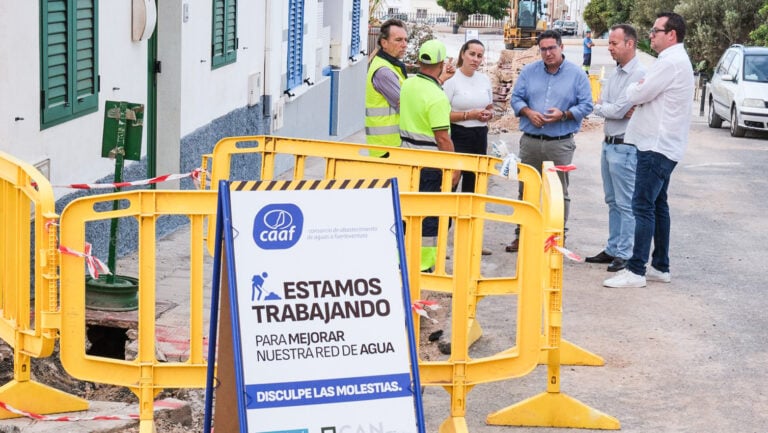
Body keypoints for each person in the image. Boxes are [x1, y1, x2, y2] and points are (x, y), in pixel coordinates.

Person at [603, 12, 694, 288]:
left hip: (655, 145)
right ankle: (660, 266)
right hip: (663, 144)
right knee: (657, 206)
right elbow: (643, 91)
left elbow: (638, 94)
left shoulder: (670, 62)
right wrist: (639, 89)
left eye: (656, 30)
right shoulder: (672, 61)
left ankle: (636, 270)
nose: (651, 35)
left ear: (672, 35)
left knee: (641, 205)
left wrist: (636, 89)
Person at [505, 30, 594, 253]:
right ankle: (522, 235)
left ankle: (556, 238)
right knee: (526, 190)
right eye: (543, 49)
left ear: (561, 47)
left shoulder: (576, 74)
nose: (548, 53)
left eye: (552, 48)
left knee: (558, 193)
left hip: (560, 143)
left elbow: (587, 105)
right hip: (531, 142)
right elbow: (516, 98)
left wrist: (563, 114)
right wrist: (527, 112)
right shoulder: (529, 71)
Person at [585, 24, 646, 273]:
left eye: (614, 43)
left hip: (625, 146)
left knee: (625, 203)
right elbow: (604, 105)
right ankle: (613, 247)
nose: (609, 48)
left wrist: (606, 109)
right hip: (608, 144)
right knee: (612, 201)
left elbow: (618, 109)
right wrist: (607, 108)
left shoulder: (638, 73)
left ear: (629, 44)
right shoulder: (616, 72)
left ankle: (624, 253)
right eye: (609, 43)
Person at [399, 39, 460, 271]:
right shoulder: (437, 97)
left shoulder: (408, 85)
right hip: (430, 165)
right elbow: (443, 138)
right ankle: (424, 265)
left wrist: (441, 80)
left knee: (407, 212)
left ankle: (402, 259)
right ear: (442, 63)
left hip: (406, 159)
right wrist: (454, 168)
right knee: (430, 216)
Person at [443, 39, 493, 194]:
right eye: (472, 54)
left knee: (474, 185)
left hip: (480, 136)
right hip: (458, 136)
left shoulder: (484, 80)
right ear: (463, 54)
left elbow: (490, 107)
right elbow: (443, 115)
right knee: (451, 182)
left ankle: (468, 218)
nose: (475, 59)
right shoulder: (451, 79)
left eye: (479, 56)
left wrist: (489, 115)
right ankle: (446, 218)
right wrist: (469, 115)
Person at [365, 19, 408, 157]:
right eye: (399, 40)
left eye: (406, 40)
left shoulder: (389, 65)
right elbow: (407, 106)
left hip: (389, 144)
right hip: (388, 146)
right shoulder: (384, 71)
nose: (404, 45)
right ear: (384, 43)